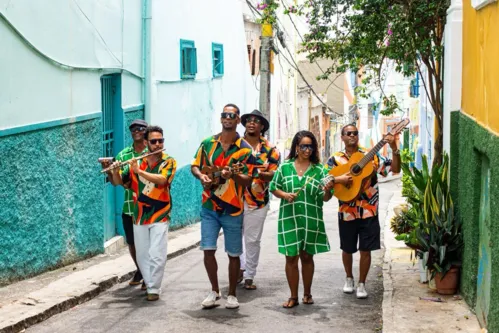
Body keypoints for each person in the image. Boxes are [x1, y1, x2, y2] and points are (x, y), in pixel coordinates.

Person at [191, 104, 255, 310]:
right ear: (221, 119)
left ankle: (233, 294)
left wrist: (233, 174)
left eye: (232, 115)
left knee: (234, 253)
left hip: (233, 208)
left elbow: (248, 180)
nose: (227, 118)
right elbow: (195, 165)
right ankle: (214, 291)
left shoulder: (245, 148)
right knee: (208, 250)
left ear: (238, 120)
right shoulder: (208, 143)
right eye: (224, 115)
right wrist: (201, 175)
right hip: (209, 205)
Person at [325, 123, 400, 299]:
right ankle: (349, 278)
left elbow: (395, 170)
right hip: (347, 209)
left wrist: (394, 147)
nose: (352, 135)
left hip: (369, 210)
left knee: (366, 250)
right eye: (348, 133)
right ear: (342, 137)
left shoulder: (370, 155)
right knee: (347, 248)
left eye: (355, 133)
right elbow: (327, 180)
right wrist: (338, 179)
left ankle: (362, 283)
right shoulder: (335, 159)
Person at [108, 125, 177, 302]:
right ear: (146, 143)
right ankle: (148, 281)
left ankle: (154, 287)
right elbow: (119, 182)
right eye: (154, 141)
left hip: (160, 214)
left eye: (160, 141)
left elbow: (162, 180)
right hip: (139, 215)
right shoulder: (136, 162)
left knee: (157, 252)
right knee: (142, 253)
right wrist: (114, 170)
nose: (158, 144)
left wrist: (140, 172)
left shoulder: (168, 161)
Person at [269, 130, 334, 308]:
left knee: (307, 256)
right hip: (289, 219)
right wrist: (284, 195)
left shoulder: (320, 170)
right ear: (296, 147)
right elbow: (273, 187)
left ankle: (307, 294)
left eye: (310, 146)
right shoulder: (285, 167)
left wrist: (328, 189)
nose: (307, 150)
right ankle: (293, 296)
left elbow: (326, 197)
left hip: (311, 219)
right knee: (291, 257)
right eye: (304, 146)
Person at [101, 119, 148, 288]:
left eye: (140, 128)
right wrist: (111, 171)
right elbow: (116, 182)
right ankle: (142, 270)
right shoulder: (123, 155)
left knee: (147, 243)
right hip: (130, 206)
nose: (136, 131)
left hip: (149, 207)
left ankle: (146, 274)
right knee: (132, 243)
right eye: (133, 128)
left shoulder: (152, 152)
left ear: (146, 131)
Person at [238, 110, 280, 290]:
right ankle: (240, 268)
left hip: (257, 200)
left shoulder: (271, 149)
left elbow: (272, 174)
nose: (251, 123)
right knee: (234, 237)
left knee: (252, 239)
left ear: (262, 126)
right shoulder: (235, 145)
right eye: (249, 120)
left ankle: (249, 275)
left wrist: (258, 173)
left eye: (256, 121)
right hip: (233, 198)